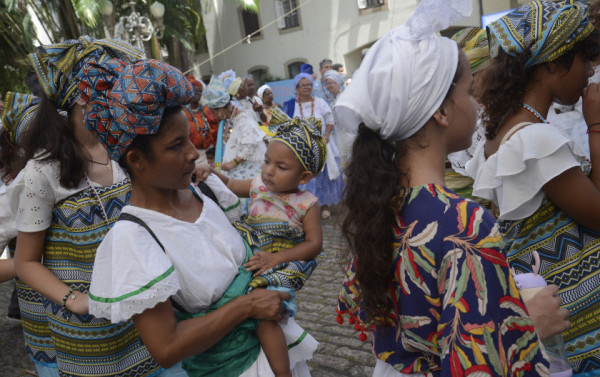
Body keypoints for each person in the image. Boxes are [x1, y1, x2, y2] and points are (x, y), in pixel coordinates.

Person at [334, 0, 554, 375]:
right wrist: (525, 322)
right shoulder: (464, 221)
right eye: (469, 91)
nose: (477, 102)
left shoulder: (382, 203)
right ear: (441, 110)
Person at [85, 58, 316, 377]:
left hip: (280, 354)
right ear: (136, 159)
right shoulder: (133, 239)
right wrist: (248, 306)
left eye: (190, 139)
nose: (194, 153)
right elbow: (166, 349)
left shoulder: (204, 190)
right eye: (177, 145)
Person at [9, 36, 187, 377]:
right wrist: (74, 300)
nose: (124, 97)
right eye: (113, 88)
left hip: (150, 316)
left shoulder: (126, 151)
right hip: (93, 340)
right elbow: (26, 262)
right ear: (82, 99)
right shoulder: (42, 173)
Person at [466, 1, 600, 374]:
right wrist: (596, 125)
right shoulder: (535, 139)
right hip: (583, 328)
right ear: (554, 63)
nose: (590, 71)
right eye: (584, 59)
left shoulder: (501, 132)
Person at [201, 108, 325, 291]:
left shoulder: (306, 203)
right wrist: (210, 172)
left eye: (281, 167)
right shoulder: (258, 185)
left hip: (280, 265)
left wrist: (277, 258)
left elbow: (314, 244)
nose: (269, 171)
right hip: (249, 255)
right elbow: (229, 184)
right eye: (266, 161)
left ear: (303, 178)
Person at [293, 73, 343, 219]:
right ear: (297, 88)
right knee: (309, 177)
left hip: (324, 143)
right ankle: (310, 207)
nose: (307, 87)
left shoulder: (320, 102)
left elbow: (330, 119)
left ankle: (325, 205)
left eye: (309, 84)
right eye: (303, 85)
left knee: (324, 176)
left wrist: (326, 135)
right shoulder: (295, 106)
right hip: (307, 147)